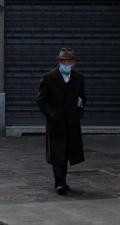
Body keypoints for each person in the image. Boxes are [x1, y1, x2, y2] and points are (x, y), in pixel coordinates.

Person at [36, 47, 86, 195]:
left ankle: (62, 180)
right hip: (56, 123)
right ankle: (59, 182)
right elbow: (41, 100)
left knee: (68, 152)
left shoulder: (78, 77)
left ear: (74, 63)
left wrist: (78, 113)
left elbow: (82, 98)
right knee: (58, 152)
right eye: (63, 61)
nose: (66, 63)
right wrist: (51, 115)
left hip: (71, 122)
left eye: (69, 61)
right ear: (59, 62)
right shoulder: (49, 77)